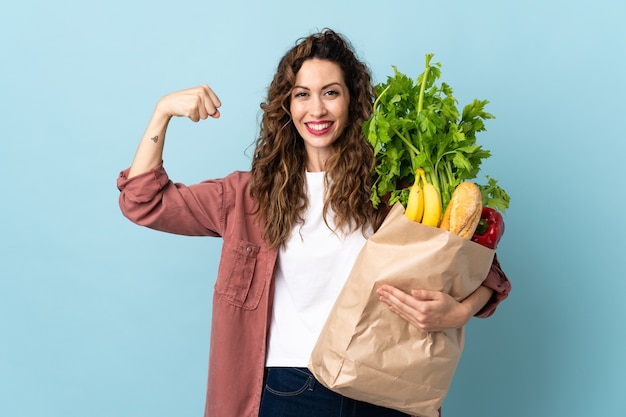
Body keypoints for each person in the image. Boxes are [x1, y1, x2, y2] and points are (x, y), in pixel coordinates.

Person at [117, 29, 511, 417]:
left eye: (331, 93)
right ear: (286, 105)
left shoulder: (395, 191)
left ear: (352, 101)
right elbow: (144, 201)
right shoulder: (246, 197)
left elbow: (486, 273)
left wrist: (457, 313)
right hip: (291, 388)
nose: (317, 110)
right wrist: (162, 112)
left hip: (386, 385)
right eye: (302, 94)